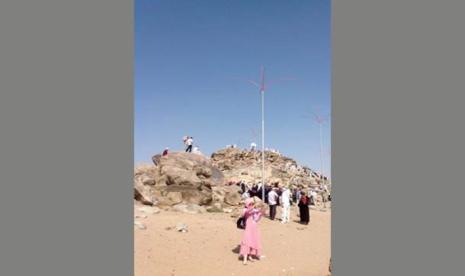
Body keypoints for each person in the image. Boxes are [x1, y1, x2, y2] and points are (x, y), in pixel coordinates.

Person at [239, 198, 266, 265]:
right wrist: (255, 208)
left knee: (253, 241)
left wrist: (260, 213)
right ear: (247, 204)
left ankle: (250, 256)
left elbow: (256, 219)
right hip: (248, 228)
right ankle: (245, 259)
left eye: (252, 204)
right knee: (246, 241)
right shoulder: (245, 210)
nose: (251, 205)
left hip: (254, 228)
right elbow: (248, 212)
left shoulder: (254, 210)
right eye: (250, 204)